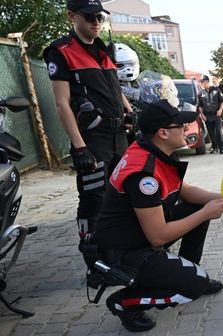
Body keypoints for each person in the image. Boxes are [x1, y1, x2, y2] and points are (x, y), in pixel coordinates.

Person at [92, 99, 223, 332]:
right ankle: (125, 302)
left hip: (138, 236)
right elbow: (158, 236)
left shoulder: (155, 150)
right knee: (194, 286)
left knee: (196, 211)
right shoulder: (144, 176)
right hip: (125, 251)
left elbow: (185, 192)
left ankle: (187, 270)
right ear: (163, 132)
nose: (186, 128)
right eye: (181, 125)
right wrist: (207, 212)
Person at [44, 0, 134, 266]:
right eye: (90, 17)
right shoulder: (61, 51)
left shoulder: (103, 50)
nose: (97, 23)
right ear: (72, 16)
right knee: (94, 200)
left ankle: (122, 255)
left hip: (118, 135)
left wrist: (129, 111)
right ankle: (96, 264)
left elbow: (115, 87)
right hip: (92, 139)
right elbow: (62, 103)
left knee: (123, 194)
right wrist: (80, 147)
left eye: (100, 18)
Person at [198, 75, 223, 154]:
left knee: (218, 132)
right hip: (207, 116)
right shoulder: (201, 93)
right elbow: (200, 105)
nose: (202, 84)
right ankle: (214, 147)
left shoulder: (216, 90)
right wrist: (202, 115)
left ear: (207, 82)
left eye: (203, 82)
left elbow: (222, 101)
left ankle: (221, 148)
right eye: (201, 83)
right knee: (211, 133)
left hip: (216, 115)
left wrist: (220, 110)